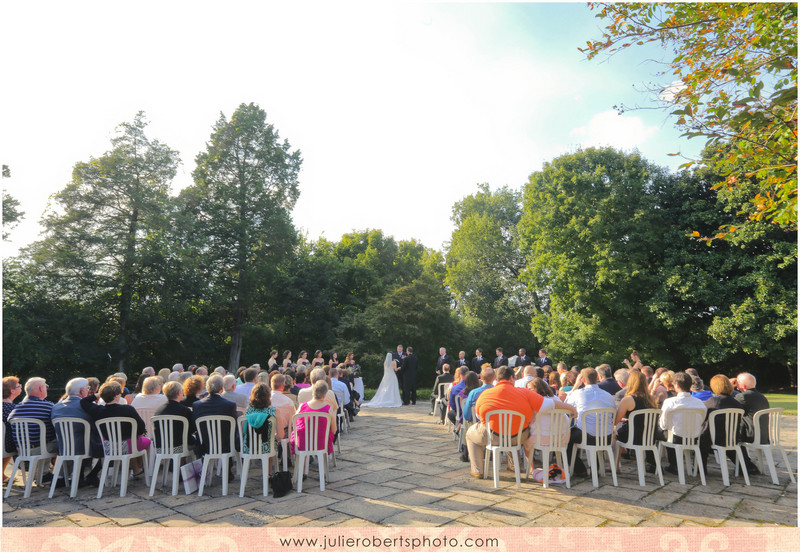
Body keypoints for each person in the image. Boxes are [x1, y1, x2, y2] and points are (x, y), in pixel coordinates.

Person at [465, 366, 573, 478]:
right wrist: (571, 409)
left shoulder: (485, 394)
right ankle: (513, 465)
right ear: (512, 378)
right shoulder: (525, 393)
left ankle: (478, 470)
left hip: (492, 436)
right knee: (513, 429)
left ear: (497, 378)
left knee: (470, 434)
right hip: (518, 437)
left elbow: (478, 416)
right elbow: (550, 404)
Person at [80, 381, 150, 477]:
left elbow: (83, 401)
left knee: (130, 440)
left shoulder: (98, 410)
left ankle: (136, 468)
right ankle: (138, 467)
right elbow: (141, 427)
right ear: (116, 396)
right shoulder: (128, 409)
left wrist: (99, 394)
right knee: (147, 442)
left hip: (108, 446)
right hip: (128, 445)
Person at [51, 377, 104, 487]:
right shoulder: (87, 406)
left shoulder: (56, 407)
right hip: (84, 448)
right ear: (82, 391)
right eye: (87, 388)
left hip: (63, 448)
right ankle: (91, 475)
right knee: (107, 442)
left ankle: (79, 477)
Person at [564, 368, 616, 477]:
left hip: (586, 437)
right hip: (606, 437)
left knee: (565, 438)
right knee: (591, 429)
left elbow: (566, 405)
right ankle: (594, 468)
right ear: (597, 378)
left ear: (582, 379)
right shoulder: (608, 395)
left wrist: (576, 386)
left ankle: (579, 469)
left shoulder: (578, 393)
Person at [699, 374, 756, 474]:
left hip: (713, 438)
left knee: (701, 439)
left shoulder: (712, 401)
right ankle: (747, 466)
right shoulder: (736, 403)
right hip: (732, 437)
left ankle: (701, 469)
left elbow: (702, 418)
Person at [658, 371, 706, 475]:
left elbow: (663, 424)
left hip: (675, 438)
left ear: (676, 385)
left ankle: (670, 464)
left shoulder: (670, 402)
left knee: (662, 431)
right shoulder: (700, 403)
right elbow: (703, 421)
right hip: (694, 438)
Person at [613, 371, 658, 471]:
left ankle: (615, 466)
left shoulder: (628, 399)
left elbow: (615, 421)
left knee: (615, 432)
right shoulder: (651, 398)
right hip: (650, 437)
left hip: (633, 437)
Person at [192, 375, 239, 456]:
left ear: (207, 388)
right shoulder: (230, 405)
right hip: (226, 445)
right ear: (221, 389)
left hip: (205, 445)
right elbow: (234, 427)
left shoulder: (197, 405)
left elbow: (195, 426)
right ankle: (227, 466)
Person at [9, 377, 58, 454]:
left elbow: (10, 421)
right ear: (41, 388)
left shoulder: (16, 408)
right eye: (46, 387)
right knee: (64, 442)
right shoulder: (48, 406)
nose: (46, 389)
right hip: (42, 449)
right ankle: (60, 465)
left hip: (22, 450)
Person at [733, 372, 770, 469]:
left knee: (729, 437)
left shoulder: (743, 397)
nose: (736, 386)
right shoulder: (761, 396)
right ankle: (746, 466)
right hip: (763, 435)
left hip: (751, 435)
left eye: (737, 383)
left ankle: (746, 466)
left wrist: (728, 387)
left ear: (743, 385)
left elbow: (729, 406)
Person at [291, 381, 336, 455]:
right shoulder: (328, 409)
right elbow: (334, 430)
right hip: (321, 444)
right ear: (324, 395)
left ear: (313, 393)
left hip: (302, 443)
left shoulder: (302, 406)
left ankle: (303, 464)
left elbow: (294, 422)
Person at [153, 381, 197, 452]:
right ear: (179, 393)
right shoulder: (184, 410)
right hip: (180, 446)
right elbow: (192, 429)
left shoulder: (158, 411)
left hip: (160, 446)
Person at [242, 383, 276, 455]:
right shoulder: (273, 411)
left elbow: (243, 430)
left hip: (249, 446)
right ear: (268, 396)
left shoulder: (248, 411)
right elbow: (280, 435)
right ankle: (268, 466)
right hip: (268, 448)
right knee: (272, 440)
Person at [2, 376, 22, 481]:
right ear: (12, 391)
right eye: (19, 386)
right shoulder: (13, 409)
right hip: (7, 444)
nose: (21, 387)